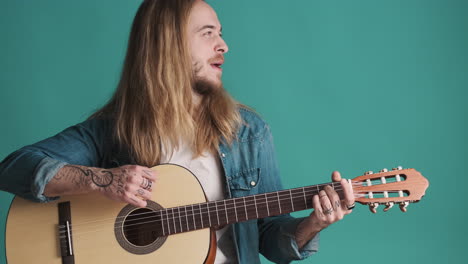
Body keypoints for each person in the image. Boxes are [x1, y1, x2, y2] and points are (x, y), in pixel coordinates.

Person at [0, 0, 355, 263]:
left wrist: (312, 224)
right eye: (208, 34)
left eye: (221, 33)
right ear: (168, 45)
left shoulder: (248, 132)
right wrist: (102, 180)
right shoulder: (114, 129)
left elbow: (269, 238)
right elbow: (13, 167)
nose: (223, 45)